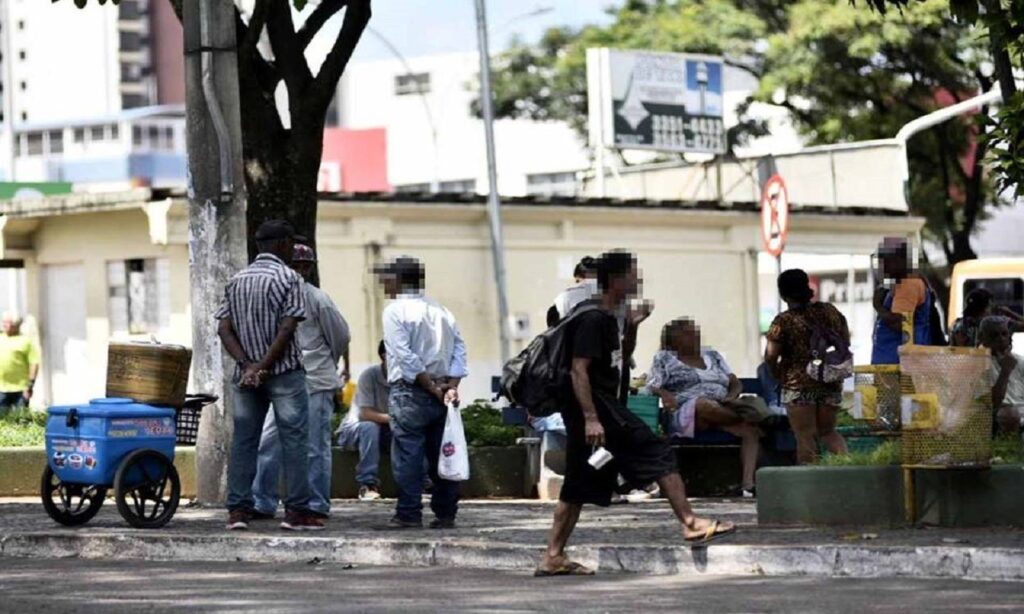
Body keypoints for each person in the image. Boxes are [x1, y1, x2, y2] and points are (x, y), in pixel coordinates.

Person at [536, 251, 734, 577]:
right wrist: (590, 418)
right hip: (596, 408)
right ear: (615, 280)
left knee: (578, 482)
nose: (638, 280)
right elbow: (577, 371)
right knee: (655, 449)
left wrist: (632, 327)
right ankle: (690, 522)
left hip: (599, 408)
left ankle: (553, 556)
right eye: (633, 274)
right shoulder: (592, 318)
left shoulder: (611, 317)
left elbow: (620, 357)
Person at [216, 219, 322, 532]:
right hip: (285, 373)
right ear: (280, 245)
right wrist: (264, 365)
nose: (292, 249)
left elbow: (223, 328)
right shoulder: (290, 278)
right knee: (294, 440)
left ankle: (238, 511)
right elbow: (288, 327)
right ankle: (297, 512)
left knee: (244, 441)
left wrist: (248, 365)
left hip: (245, 375)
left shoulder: (236, 280)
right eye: (290, 243)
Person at [251, 243, 350, 519]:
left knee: (315, 447)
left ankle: (317, 504)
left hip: (315, 380)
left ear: (307, 268)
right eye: (292, 264)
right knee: (268, 442)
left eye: (301, 265)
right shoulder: (274, 297)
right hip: (283, 380)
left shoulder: (318, 299)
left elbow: (341, 336)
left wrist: (324, 361)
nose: (296, 269)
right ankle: (263, 501)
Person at [376, 256, 468, 529]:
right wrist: (450, 386)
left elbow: (404, 355)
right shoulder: (442, 311)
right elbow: (460, 349)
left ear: (396, 280)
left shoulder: (395, 311)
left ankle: (409, 512)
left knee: (408, 454)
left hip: (411, 390)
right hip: (443, 390)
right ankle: (445, 512)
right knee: (444, 451)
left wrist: (429, 385)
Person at [647, 317, 762, 497]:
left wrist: (731, 397)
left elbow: (735, 383)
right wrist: (665, 394)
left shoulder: (713, 355)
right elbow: (651, 385)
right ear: (673, 338)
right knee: (702, 404)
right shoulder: (664, 358)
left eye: (695, 330)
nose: (694, 335)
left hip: (719, 410)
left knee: (750, 432)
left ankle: (748, 484)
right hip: (687, 413)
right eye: (687, 333)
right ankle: (742, 417)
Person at [765, 269, 850, 465]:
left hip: (798, 386)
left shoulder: (783, 321)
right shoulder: (830, 311)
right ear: (807, 288)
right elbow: (845, 341)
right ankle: (847, 471)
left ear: (783, 293)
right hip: (830, 381)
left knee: (805, 436)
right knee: (828, 433)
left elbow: (771, 355)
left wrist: (776, 373)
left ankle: (810, 485)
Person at [336, 340, 392, 501]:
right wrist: (396, 419)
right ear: (384, 356)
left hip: (386, 429)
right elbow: (365, 414)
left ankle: (421, 481)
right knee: (370, 427)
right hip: (355, 431)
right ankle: (367, 484)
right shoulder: (370, 376)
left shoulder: (406, 377)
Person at [871, 237, 941, 363]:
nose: (882, 265)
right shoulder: (901, 283)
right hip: (892, 367)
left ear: (901, 260)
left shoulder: (908, 284)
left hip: (900, 369)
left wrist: (878, 307)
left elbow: (901, 324)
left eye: (886, 260)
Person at [978, 316, 1024, 435]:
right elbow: (991, 404)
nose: (1001, 339)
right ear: (983, 338)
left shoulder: (1020, 361)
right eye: (994, 335)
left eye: (1004, 334)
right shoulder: (977, 364)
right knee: (1009, 414)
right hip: (1001, 419)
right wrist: (1006, 371)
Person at [951, 289, 1024, 347]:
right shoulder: (999, 324)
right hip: (993, 365)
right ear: (984, 308)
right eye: (990, 306)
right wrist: (1010, 313)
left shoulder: (958, 325)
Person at [0, 311, 40, 411]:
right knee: (2, 421)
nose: (4, 325)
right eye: (3, 322)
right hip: (1, 389)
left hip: (21, 389)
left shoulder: (26, 341)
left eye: (7, 322)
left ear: (16, 325)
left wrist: (30, 386)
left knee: (20, 420)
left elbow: (34, 363)